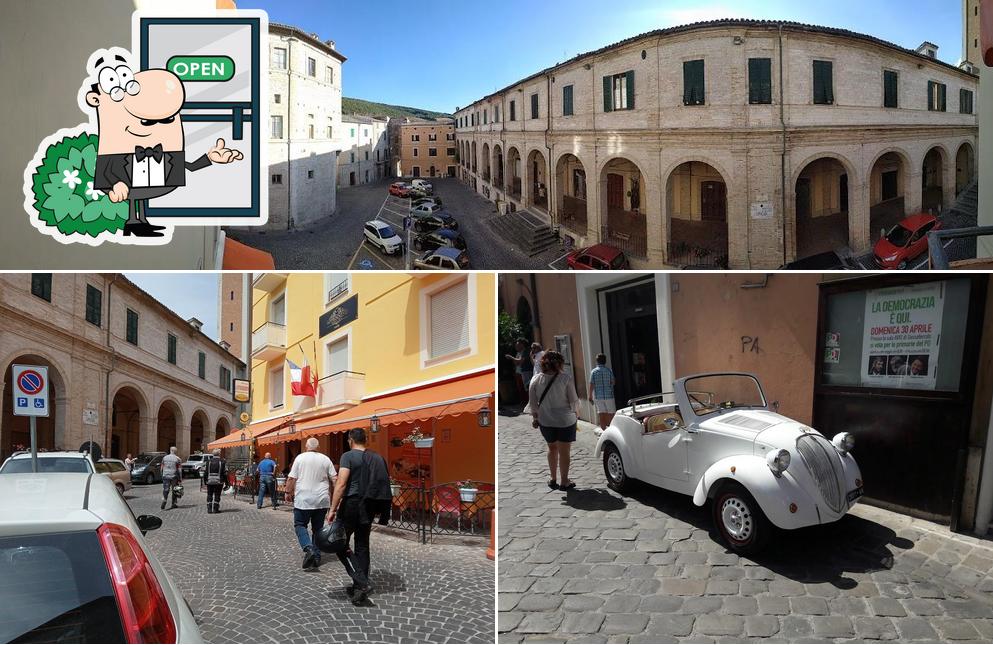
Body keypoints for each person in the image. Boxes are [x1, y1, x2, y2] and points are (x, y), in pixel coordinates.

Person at [328, 428, 391, 605]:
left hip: (351, 504)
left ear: (350, 440)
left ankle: (361, 581)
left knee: (339, 543)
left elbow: (341, 484)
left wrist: (332, 508)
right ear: (365, 440)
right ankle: (358, 588)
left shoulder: (348, 456)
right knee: (362, 544)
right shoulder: (375, 457)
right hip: (369, 504)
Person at [529, 351, 579, 490]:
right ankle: (564, 481)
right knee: (564, 450)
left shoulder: (535, 380)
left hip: (545, 420)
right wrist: (577, 414)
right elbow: (573, 401)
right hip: (565, 420)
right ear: (559, 363)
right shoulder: (565, 378)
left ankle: (553, 478)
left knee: (552, 448)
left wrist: (535, 417)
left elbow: (533, 404)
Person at [286, 437, 337, 571]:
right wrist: (336, 497)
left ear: (306, 447)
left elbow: (292, 478)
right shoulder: (325, 459)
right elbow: (335, 479)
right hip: (321, 500)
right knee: (318, 529)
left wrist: (287, 492)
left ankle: (309, 548)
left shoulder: (300, 458)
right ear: (318, 447)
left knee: (300, 525)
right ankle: (317, 556)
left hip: (303, 499)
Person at [589, 354, 617, 436]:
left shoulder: (593, 372)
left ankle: (604, 431)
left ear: (597, 361)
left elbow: (591, 384)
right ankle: (612, 430)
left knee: (601, 413)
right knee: (611, 413)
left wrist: (590, 395)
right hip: (609, 396)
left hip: (598, 396)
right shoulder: (609, 370)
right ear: (605, 361)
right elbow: (613, 382)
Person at [202, 449, 228, 514]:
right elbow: (225, 473)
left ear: (213, 454)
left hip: (209, 481)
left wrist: (205, 481)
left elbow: (205, 472)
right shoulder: (222, 462)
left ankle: (209, 509)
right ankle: (216, 509)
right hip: (219, 481)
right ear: (219, 454)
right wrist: (226, 482)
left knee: (209, 494)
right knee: (217, 494)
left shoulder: (208, 462)